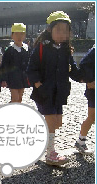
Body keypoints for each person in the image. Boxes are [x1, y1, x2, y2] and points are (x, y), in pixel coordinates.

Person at [27, 11, 79, 166]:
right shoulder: (41, 48)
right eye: (59, 30)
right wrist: (38, 85)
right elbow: (31, 69)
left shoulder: (66, 49)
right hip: (44, 92)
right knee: (51, 122)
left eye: (66, 30)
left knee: (57, 123)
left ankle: (39, 142)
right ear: (50, 30)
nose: (63, 33)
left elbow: (74, 70)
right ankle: (51, 154)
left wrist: (86, 78)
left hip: (59, 93)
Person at [1, 23, 30, 103]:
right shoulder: (10, 50)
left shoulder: (26, 49)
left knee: (20, 98)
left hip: (22, 77)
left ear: (24, 36)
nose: (19, 36)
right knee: (15, 98)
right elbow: (4, 65)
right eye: (16, 34)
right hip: (12, 78)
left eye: (22, 34)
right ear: (12, 36)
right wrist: (3, 79)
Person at [75, 45, 95, 154]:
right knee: (92, 117)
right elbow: (84, 64)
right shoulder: (94, 50)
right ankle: (80, 142)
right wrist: (90, 80)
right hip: (94, 89)